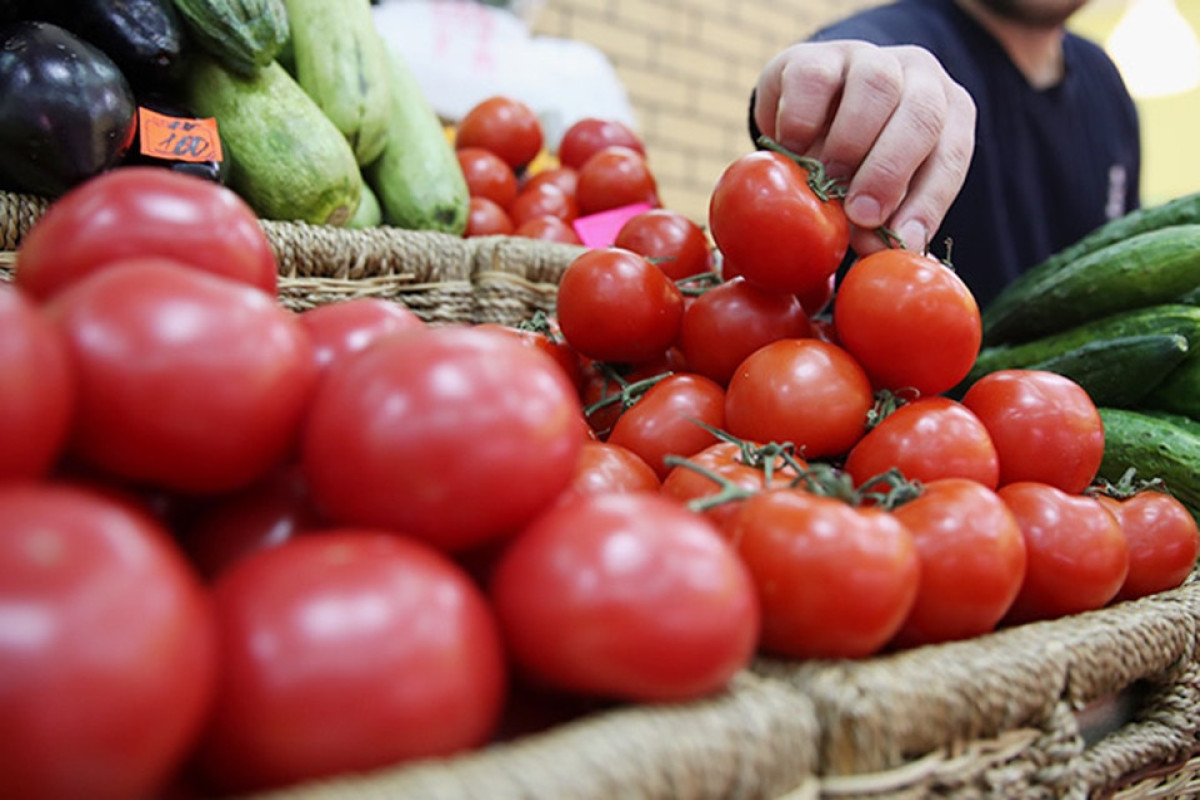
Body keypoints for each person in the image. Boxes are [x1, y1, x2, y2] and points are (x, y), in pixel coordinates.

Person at [749, 0, 1141, 308]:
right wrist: (827, 81)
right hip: (893, 401)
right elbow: (839, 65)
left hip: (1068, 407)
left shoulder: (1108, 83)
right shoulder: (902, 35)